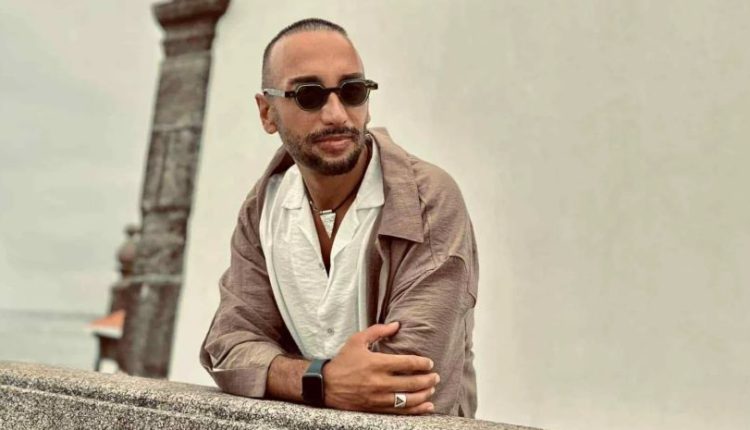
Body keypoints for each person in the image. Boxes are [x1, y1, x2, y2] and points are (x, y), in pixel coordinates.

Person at [199, 18, 479, 417]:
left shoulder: (428, 200)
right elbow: (228, 345)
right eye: (309, 95)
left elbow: (407, 382)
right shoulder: (264, 207)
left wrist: (284, 375)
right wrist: (322, 381)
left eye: (352, 91)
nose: (336, 114)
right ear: (267, 112)